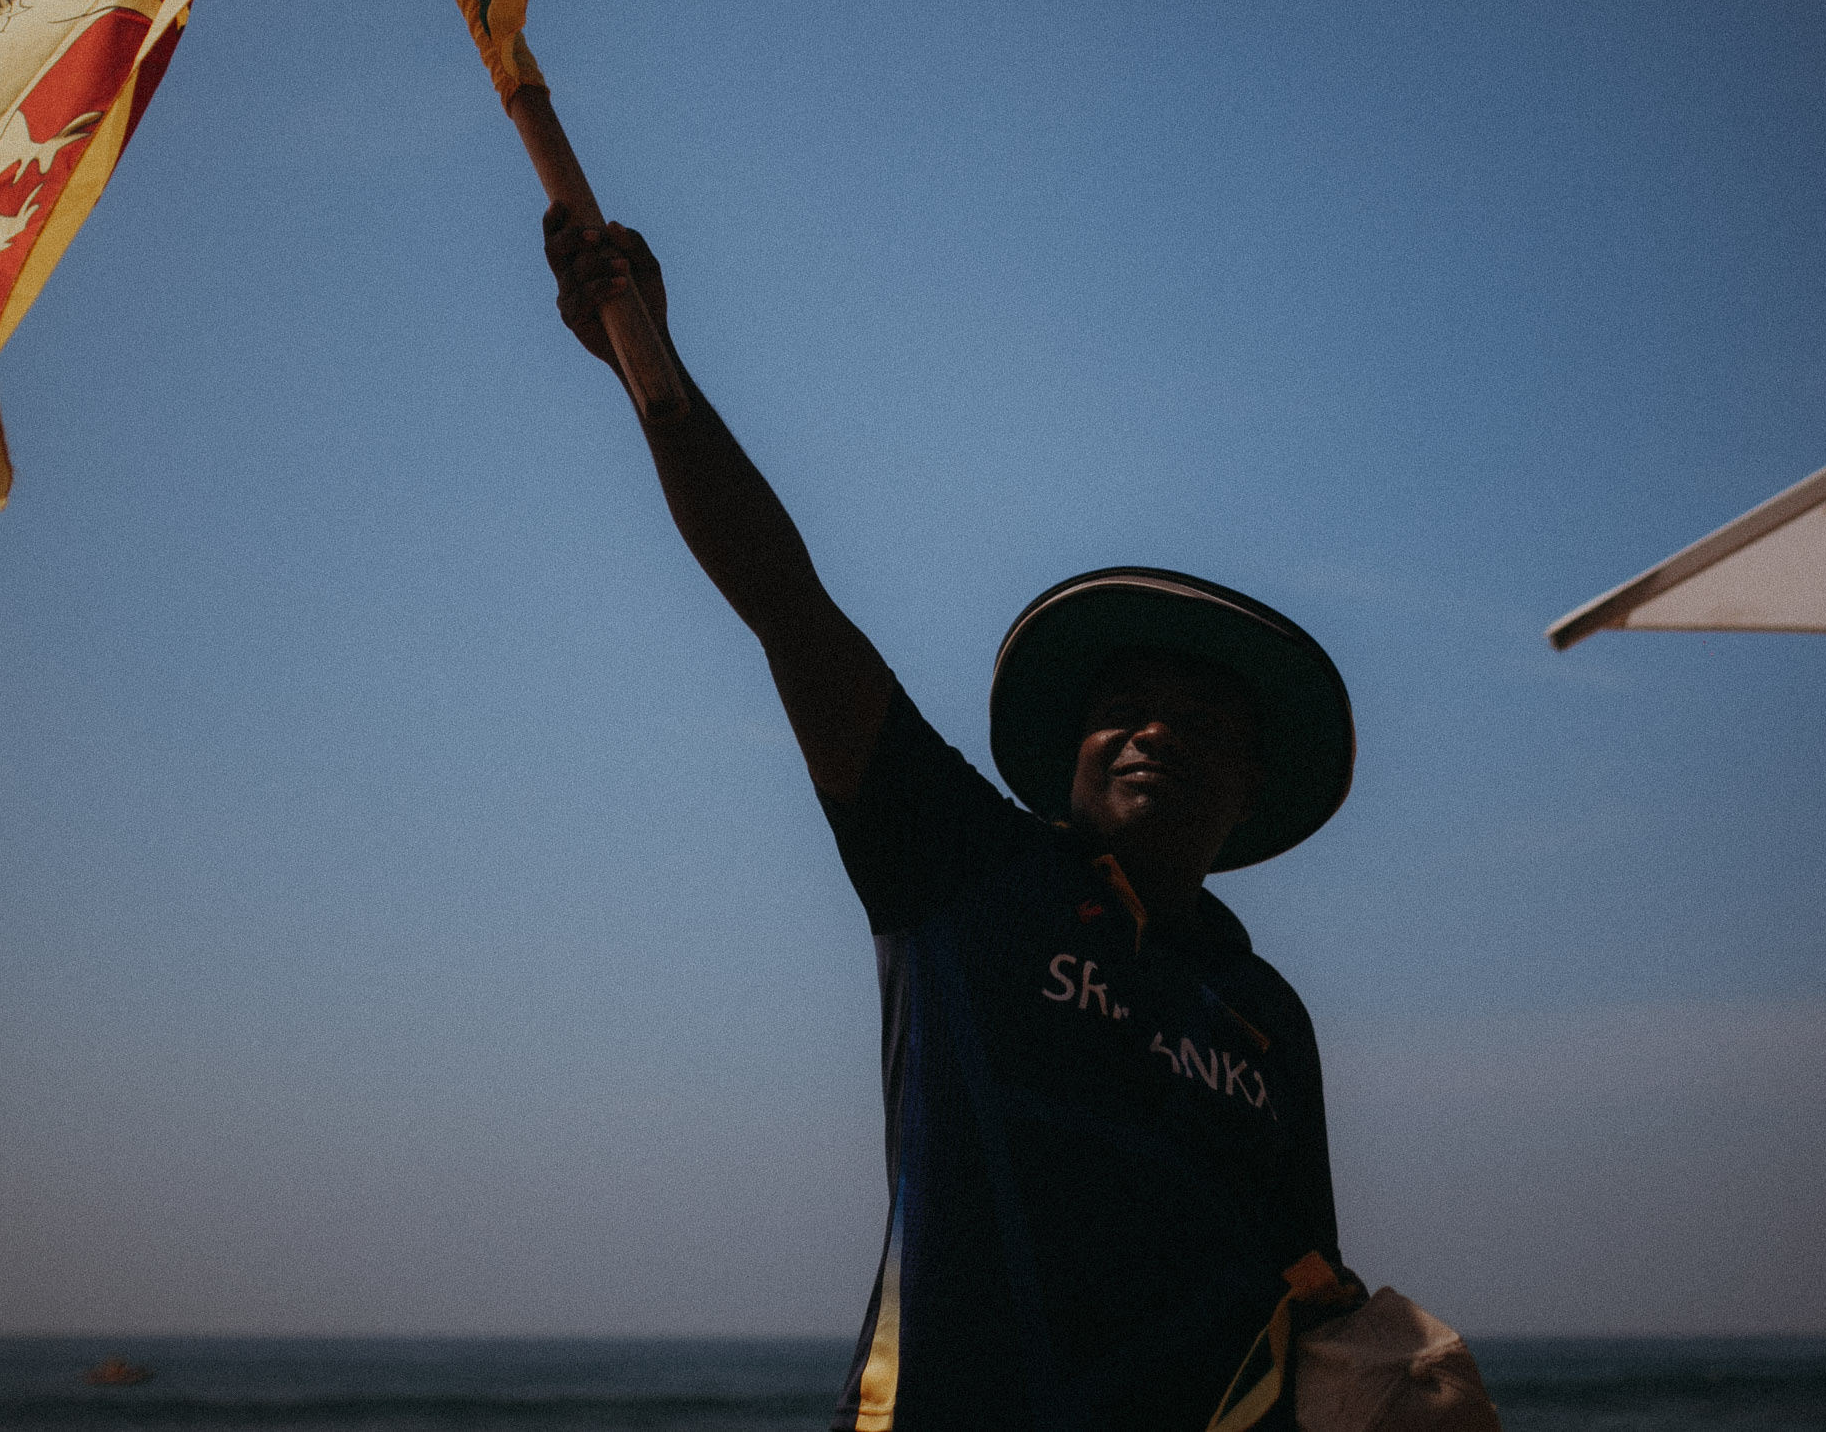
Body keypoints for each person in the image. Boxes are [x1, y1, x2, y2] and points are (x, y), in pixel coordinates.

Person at [545, 209, 1363, 1432]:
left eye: (1199, 720)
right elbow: (785, 601)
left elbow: (1307, 1299)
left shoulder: (1265, 1018)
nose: (1154, 732)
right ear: (1068, 754)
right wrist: (651, 369)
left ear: (1249, 785)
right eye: (1123, 707)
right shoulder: (962, 866)